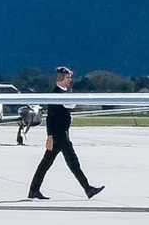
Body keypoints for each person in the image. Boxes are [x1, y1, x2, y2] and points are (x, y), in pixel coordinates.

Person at [27, 66, 104, 201]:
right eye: (68, 78)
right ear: (61, 79)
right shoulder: (57, 94)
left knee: (46, 164)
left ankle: (34, 190)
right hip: (60, 136)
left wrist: (50, 135)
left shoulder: (61, 93)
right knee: (73, 163)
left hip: (59, 134)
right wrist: (50, 136)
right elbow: (54, 114)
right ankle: (88, 189)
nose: (70, 80)